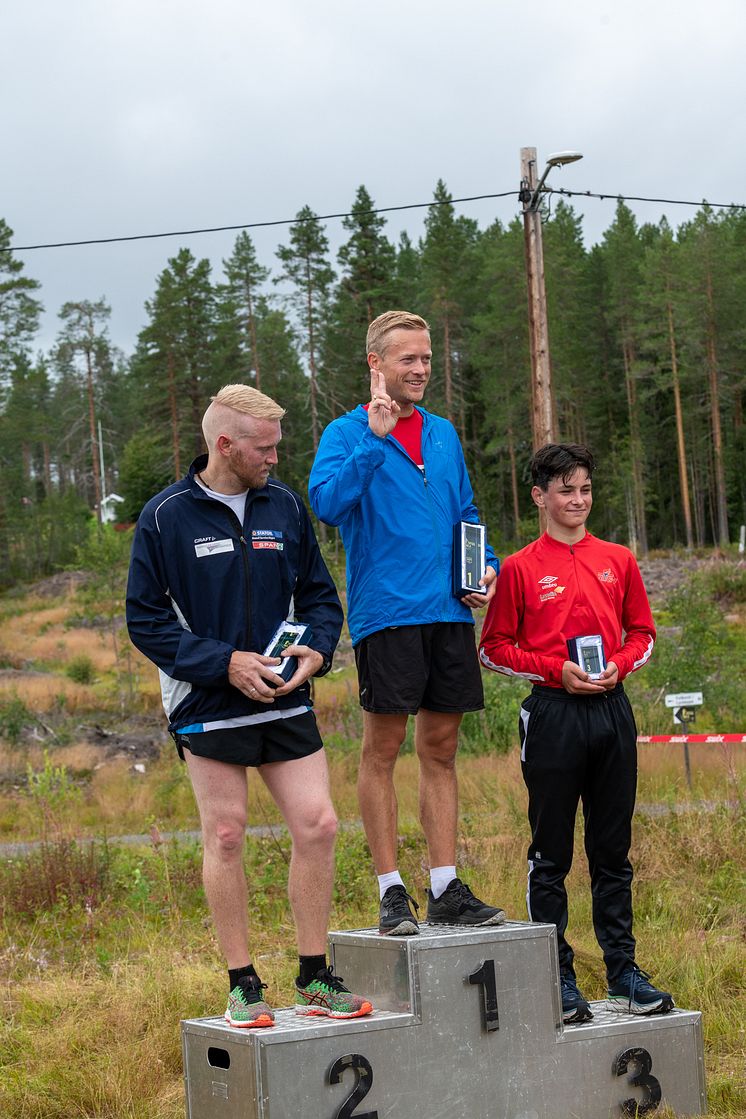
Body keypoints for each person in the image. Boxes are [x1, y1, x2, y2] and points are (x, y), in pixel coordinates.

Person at [126, 384, 372, 1027]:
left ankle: (315, 978)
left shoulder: (285, 507)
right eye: (263, 449)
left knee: (319, 825)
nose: (274, 459)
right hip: (206, 698)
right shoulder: (164, 516)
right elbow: (146, 624)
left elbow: (320, 600)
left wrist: (317, 650)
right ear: (224, 444)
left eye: (278, 447)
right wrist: (224, 664)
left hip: (285, 697)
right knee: (227, 833)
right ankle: (243, 985)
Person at [309, 310, 506, 936]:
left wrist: (487, 566)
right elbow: (328, 504)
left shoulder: (445, 433)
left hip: (450, 610)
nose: (421, 369)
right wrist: (374, 437)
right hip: (388, 612)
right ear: (376, 365)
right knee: (383, 748)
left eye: (426, 359)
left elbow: (465, 509)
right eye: (407, 360)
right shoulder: (346, 433)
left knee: (442, 748)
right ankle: (392, 892)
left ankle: (446, 887)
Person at [479, 442, 675, 1022]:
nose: (578, 500)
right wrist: (552, 670)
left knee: (613, 852)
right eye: (566, 490)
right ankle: (556, 977)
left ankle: (624, 974)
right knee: (552, 854)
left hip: (613, 712)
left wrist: (621, 663)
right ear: (540, 497)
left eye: (585, 489)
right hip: (553, 716)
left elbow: (643, 632)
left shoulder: (618, 558)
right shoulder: (518, 567)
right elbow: (493, 650)